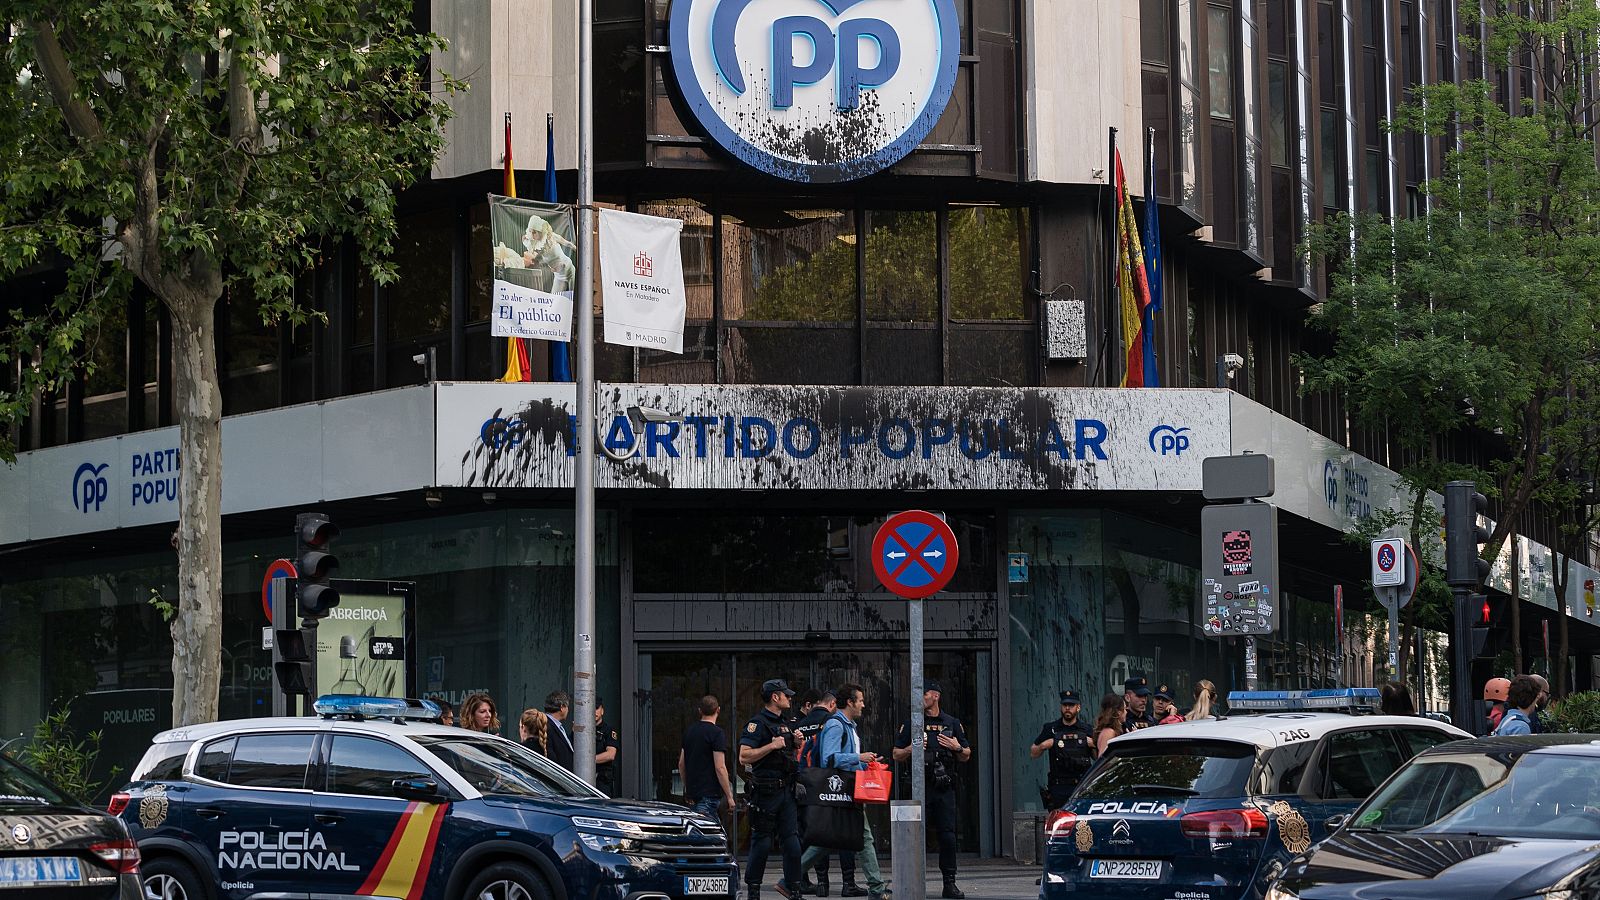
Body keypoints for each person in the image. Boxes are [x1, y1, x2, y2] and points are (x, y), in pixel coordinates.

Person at [800, 684, 891, 900]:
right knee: (863, 838)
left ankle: (790, 877)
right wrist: (858, 758)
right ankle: (876, 888)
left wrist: (865, 763)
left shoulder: (850, 726)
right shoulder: (836, 725)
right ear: (849, 702)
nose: (863, 704)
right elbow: (829, 758)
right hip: (841, 790)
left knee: (829, 840)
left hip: (849, 789)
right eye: (860, 700)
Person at [893, 681, 971, 900]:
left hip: (943, 788)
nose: (919, 698)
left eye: (924, 694)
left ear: (935, 696)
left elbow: (966, 754)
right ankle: (910, 882)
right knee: (913, 836)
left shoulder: (952, 722)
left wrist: (956, 747)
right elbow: (896, 754)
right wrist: (912, 748)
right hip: (919, 788)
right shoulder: (912, 723)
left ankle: (949, 883)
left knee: (947, 836)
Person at [740, 679, 805, 900]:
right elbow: (744, 756)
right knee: (762, 842)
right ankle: (754, 891)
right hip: (766, 791)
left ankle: (794, 889)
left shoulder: (786, 723)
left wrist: (795, 744)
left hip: (786, 790)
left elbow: (787, 756)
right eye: (786, 695)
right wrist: (771, 745)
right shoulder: (757, 724)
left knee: (792, 841)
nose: (790, 698)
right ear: (775, 697)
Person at [794, 691, 859, 898]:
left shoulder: (799, 725)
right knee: (845, 832)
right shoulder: (831, 722)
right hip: (831, 782)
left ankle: (821, 883)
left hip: (805, 782)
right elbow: (830, 757)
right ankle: (848, 881)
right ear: (832, 704)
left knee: (816, 831)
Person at [1030, 690, 1095, 809]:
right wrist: (1044, 745)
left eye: (1071, 705)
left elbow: (1097, 757)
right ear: (1061, 707)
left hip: (1081, 786)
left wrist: (1093, 744)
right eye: (1065, 705)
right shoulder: (1051, 728)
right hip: (1058, 787)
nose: (1068, 708)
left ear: (1078, 707)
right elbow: (1033, 753)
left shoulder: (1086, 729)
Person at [679, 694, 735, 818]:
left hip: (693, 795)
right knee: (709, 833)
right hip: (709, 795)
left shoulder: (689, 731)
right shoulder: (717, 733)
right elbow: (720, 767)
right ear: (718, 710)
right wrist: (730, 796)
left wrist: (688, 788)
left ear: (700, 711)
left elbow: (681, 764)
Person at [544, 690, 575, 770]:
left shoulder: (557, 726)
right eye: (567, 707)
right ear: (562, 707)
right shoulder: (546, 726)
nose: (568, 710)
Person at [595, 697, 619, 795]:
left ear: (602, 711)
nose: (594, 711)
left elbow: (610, 754)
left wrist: (586, 762)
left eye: (596, 708)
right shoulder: (580, 730)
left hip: (602, 780)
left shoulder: (608, 730)